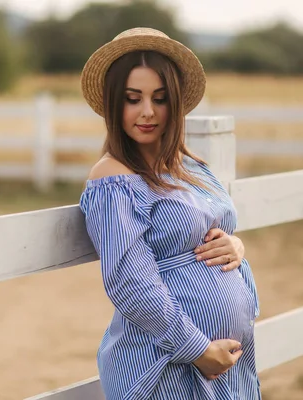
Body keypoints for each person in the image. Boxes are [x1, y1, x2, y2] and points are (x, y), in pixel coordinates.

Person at [78, 28, 261, 399]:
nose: (147, 112)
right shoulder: (114, 179)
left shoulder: (192, 167)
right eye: (133, 98)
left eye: (159, 99)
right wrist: (198, 350)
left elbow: (211, 228)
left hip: (227, 364)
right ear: (115, 104)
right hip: (164, 364)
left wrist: (235, 247)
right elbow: (131, 284)